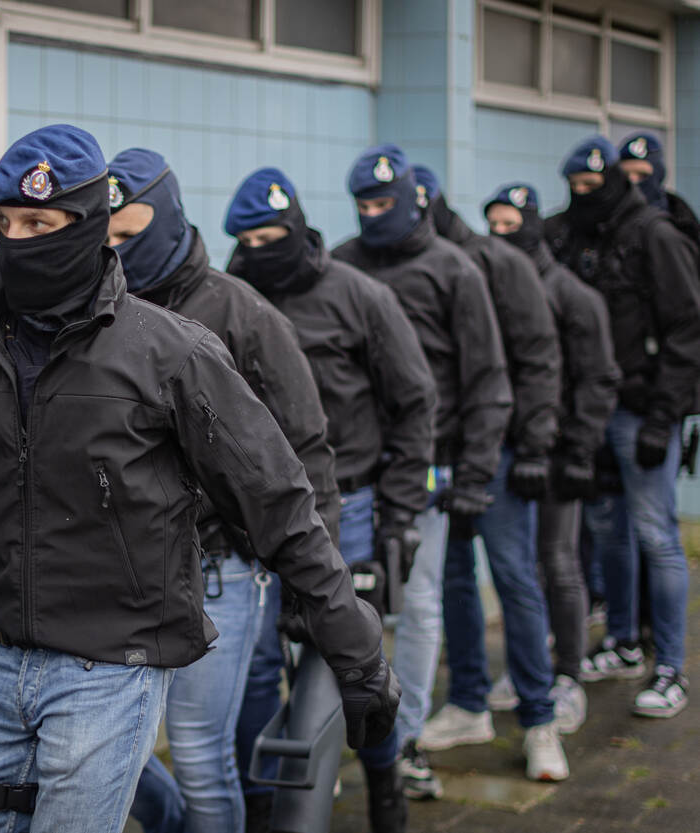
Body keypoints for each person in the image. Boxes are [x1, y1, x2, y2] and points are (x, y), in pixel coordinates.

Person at [0, 124, 398, 833]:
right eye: (4, 224)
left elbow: (281, 505)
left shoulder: (170, 353)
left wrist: (355, 652)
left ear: (90, 229)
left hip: (110, 671)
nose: (17, 239)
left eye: (39, 223)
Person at [103, 148, 339, 833]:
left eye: (131, 232)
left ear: (169, 215)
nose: (116, 249)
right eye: (106, 235)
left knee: (203, 753)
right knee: (104, 747)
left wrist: (308, 574)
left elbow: (305, 445)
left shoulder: (241, 311)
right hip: (120, 563)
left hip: (220, 570)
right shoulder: (96, 309)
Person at [223, 167, 436, 833]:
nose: (262, 247)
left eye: (273, 234)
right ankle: (263, 805)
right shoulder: (227, 302)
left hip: (352, 509)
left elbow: (415, 401)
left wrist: (402, 511)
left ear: (299, 226)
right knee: (255, 671)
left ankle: (383, 778)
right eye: (248, 238)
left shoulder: (359, 295)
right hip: (250, 517)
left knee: (351, 664)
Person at [332, 144, 513, 799]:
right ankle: (329, 740)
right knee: (336, 608)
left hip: (430, 469)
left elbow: (488, 378)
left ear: (413, 198)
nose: (375, 215)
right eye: (365, 206)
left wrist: (474, 472)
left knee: (414, 604)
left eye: (386, 203)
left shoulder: (454, 270)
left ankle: (402, 740)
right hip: (351, 470)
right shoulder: (343, 265)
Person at [410, 167, 569, 782]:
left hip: (500, 452)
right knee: (451, 581)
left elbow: (537, 357)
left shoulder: (497, 262)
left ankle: (539, 719)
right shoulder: (402, 267)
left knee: (513, 579)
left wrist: (534, 444)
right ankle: (470, 702)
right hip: (438, 457)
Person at [545, 136, 700, 718]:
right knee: (608, 531)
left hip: (641, 410)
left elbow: (688, 331)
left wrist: (665, 415)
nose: (584, 197)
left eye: (594, 186)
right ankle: (623, 642)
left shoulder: (654, 235)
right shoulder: (574, 234)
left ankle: (670, 668)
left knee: (656, 533)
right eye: (575, 188)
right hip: (591, 410)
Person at [481, 182, 621, 735]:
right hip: (509, 448)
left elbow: (598, 377)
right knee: (520, 570)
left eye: (511, 224)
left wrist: (579, 449)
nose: (499, 234)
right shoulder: (487, 287)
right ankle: (527, 668)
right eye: (491, 222)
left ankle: (567, 674)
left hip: (559, 452)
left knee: (558, 562)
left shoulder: (571, 294)